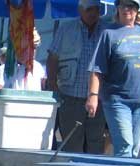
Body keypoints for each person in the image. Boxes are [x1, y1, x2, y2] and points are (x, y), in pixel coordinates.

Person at [87, 0, 140, 157]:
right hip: (117, 100)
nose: (127, 9)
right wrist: (93, 96)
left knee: (134, 148)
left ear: (137, 10)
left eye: (131, 6)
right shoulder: (109, 33)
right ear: (118, 8)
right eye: (124, 5)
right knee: (124, 146)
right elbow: (97, 68)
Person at [47, 0, 108, 154]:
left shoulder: (107, 30)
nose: (93, 13)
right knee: (71, 144)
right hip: (70, 96)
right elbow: (53, 58)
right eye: (89, 9)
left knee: (96, 145)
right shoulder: (66, 28)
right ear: (80, 10)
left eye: (96, 9)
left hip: (99, 98)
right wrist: (53, 86)